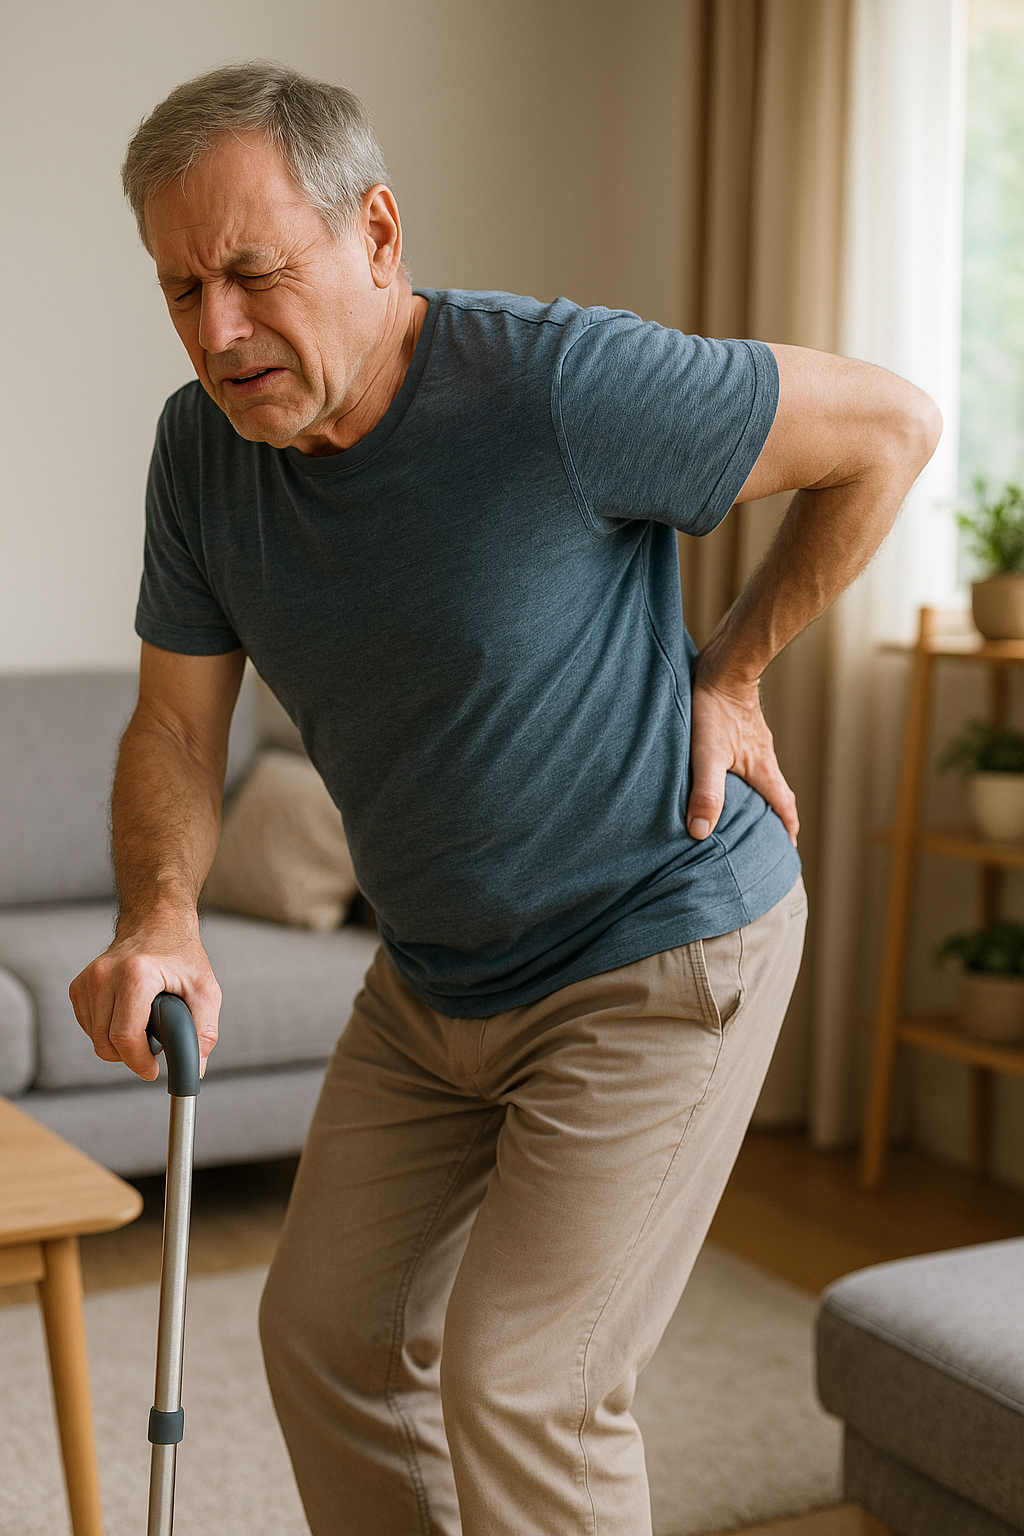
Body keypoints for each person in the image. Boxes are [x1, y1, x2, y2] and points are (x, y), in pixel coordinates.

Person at [70, 61, 940, 1536]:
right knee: (326, 1337)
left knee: (528, 1385)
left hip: (652, 951)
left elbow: (890, 429)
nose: (218, 332)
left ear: (380, 234)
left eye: (252, 273)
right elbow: (172, 719)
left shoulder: (558, 388)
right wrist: (163, 914)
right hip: (433, 982)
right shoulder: (198, 456)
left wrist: (732, 672)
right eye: (180, 291)